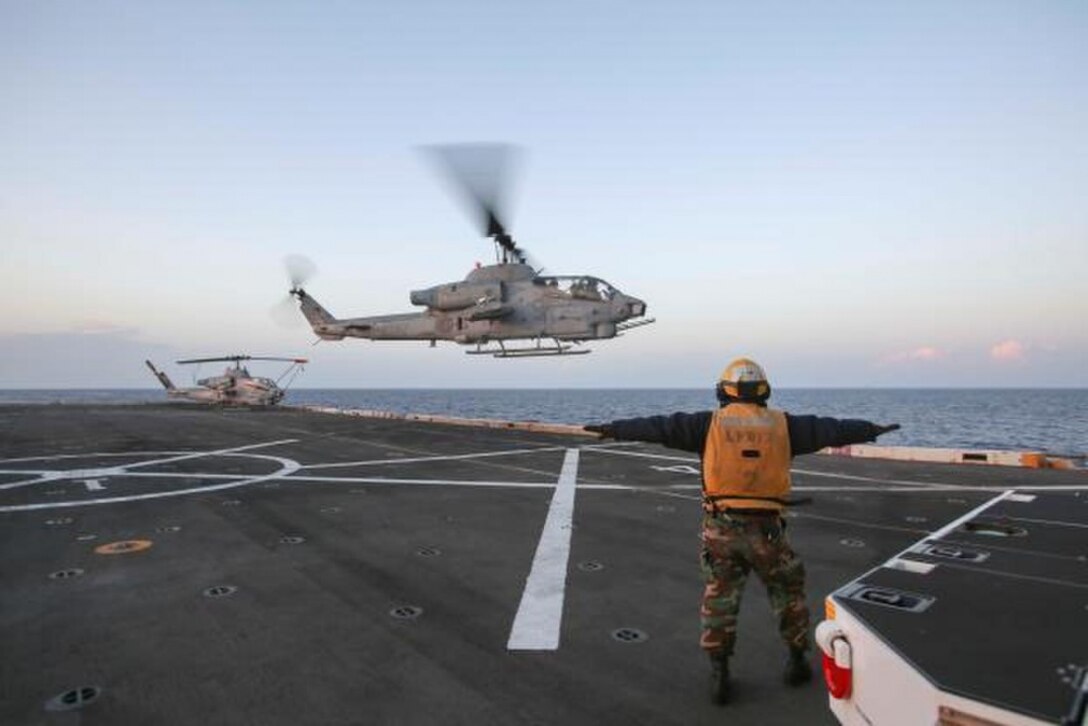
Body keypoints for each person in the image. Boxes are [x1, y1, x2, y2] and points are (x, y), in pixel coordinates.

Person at [584, 357, 900, 705]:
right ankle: (797, 660)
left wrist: (613, 428)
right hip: (768, 532)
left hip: (722, 529)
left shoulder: (707, 424)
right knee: (788, 595)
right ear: (763, 390)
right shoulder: (785, 425)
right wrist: (871, 429)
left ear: (725, 390)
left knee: (719, 599)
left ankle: (719, 672)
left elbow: (659, 427)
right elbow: (831, 429)